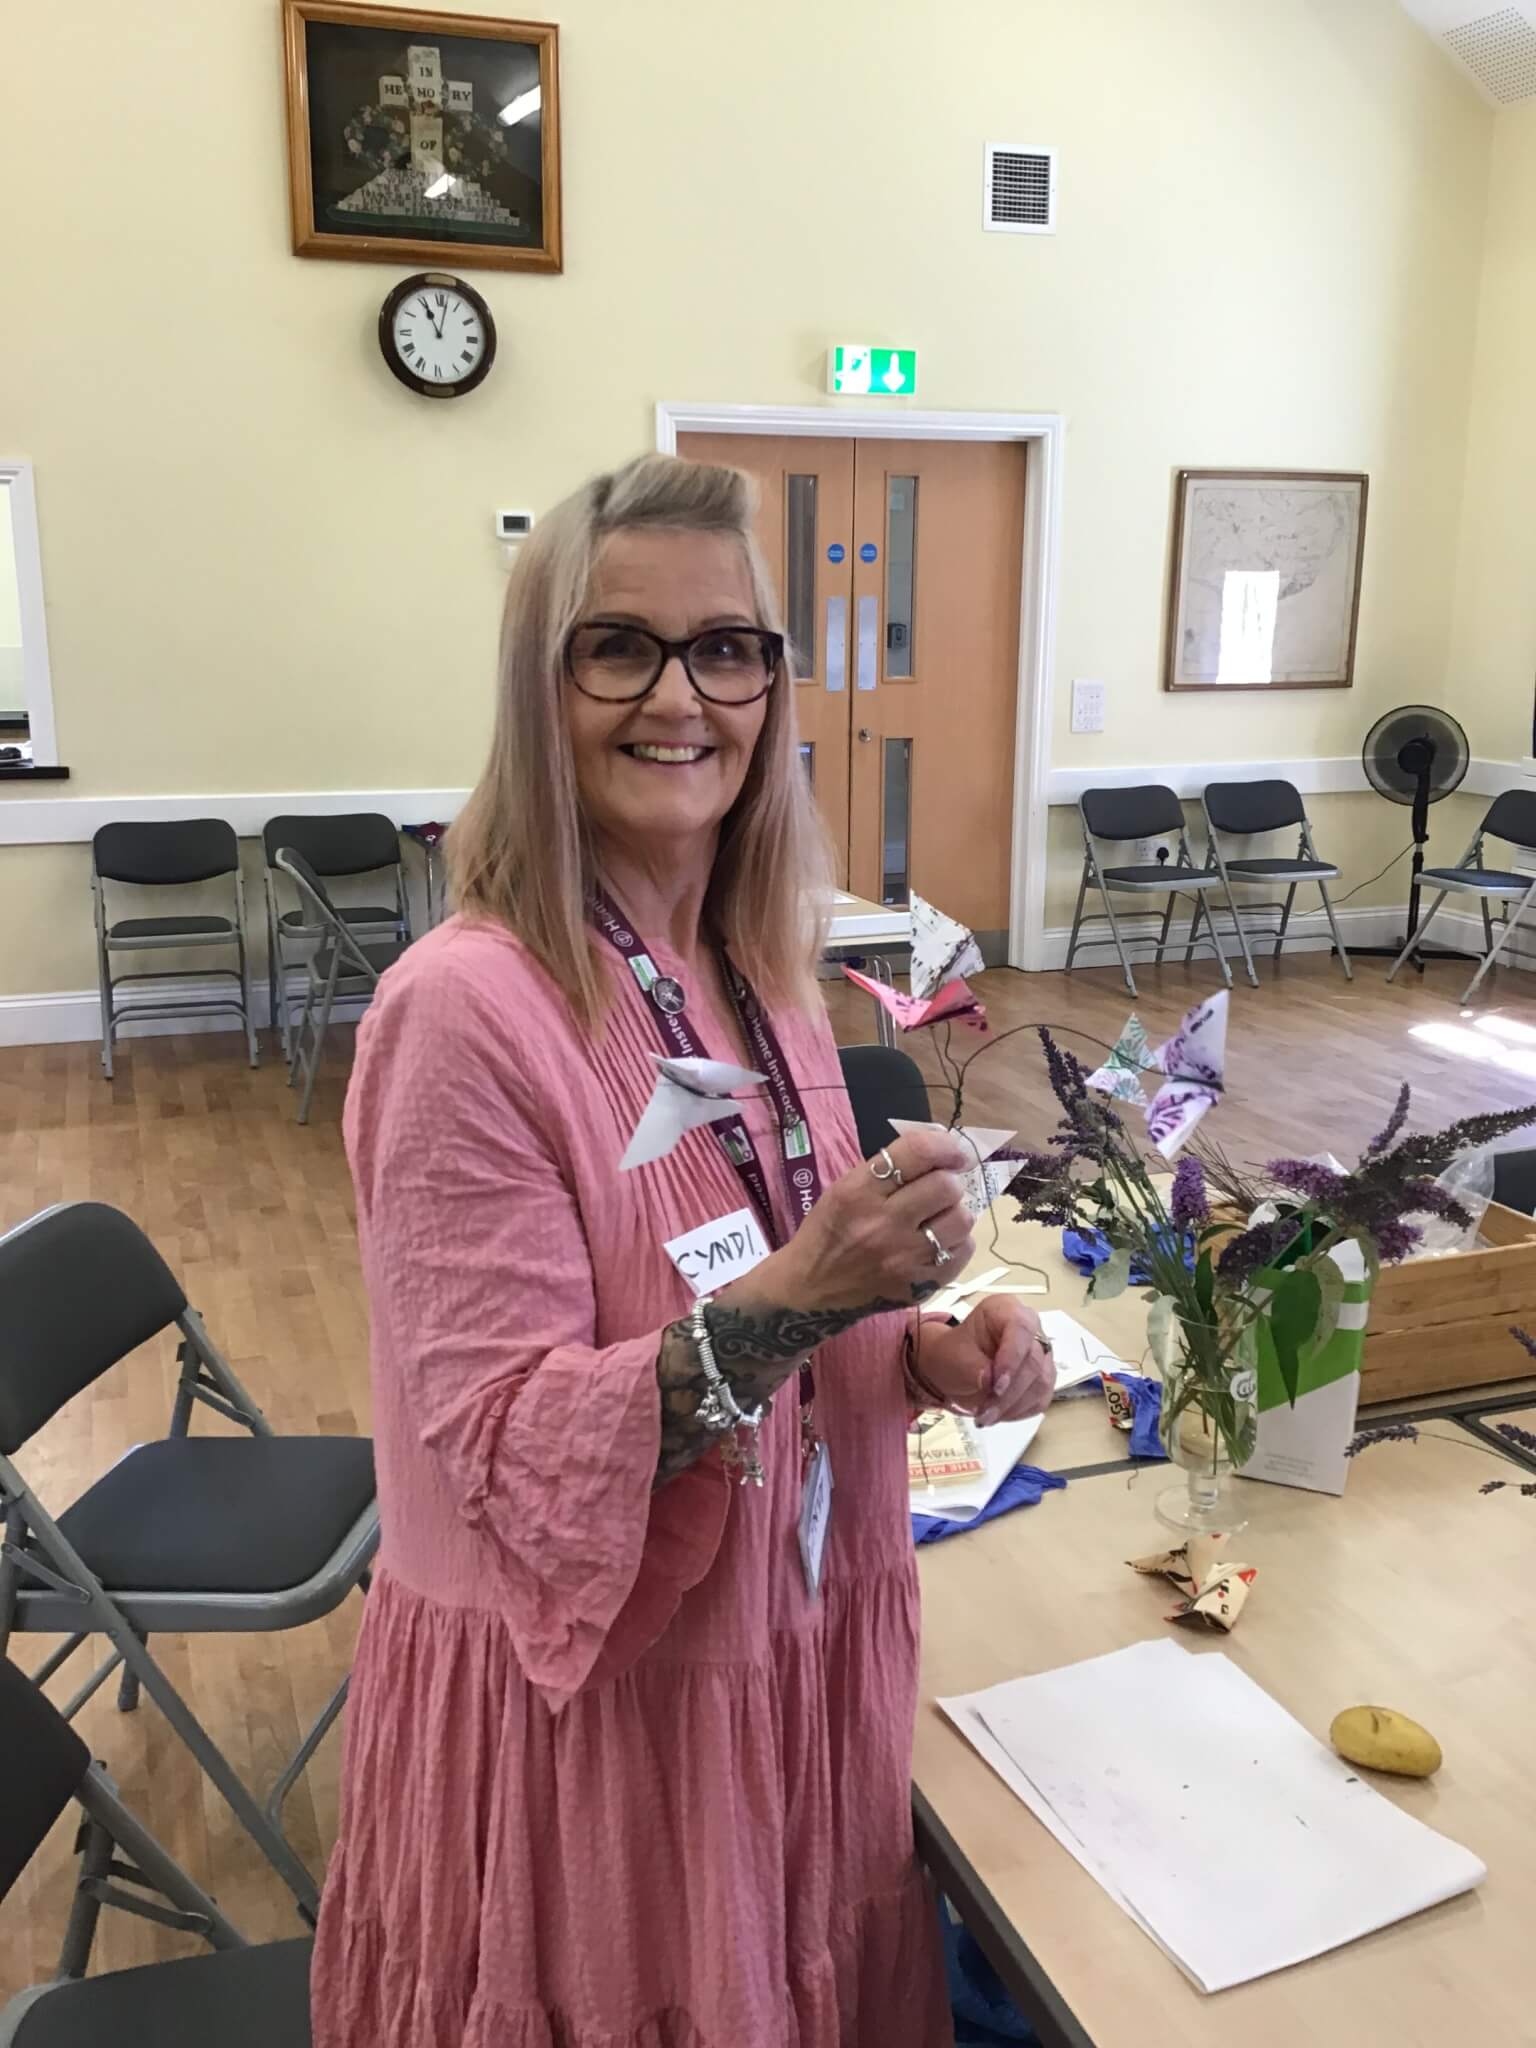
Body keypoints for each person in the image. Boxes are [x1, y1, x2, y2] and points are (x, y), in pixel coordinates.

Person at [311, 454, 1056, 2048]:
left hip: (794, 1656)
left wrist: (916, 1347)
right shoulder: (463, 1014)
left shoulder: (757, 967)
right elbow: (513, 1451)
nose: (682, 697)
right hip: (600, 1727)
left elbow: (766, 1291)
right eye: (618, 647)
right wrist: (808, 1292)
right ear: (540, 686)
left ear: (774, 686)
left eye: (728, 648)